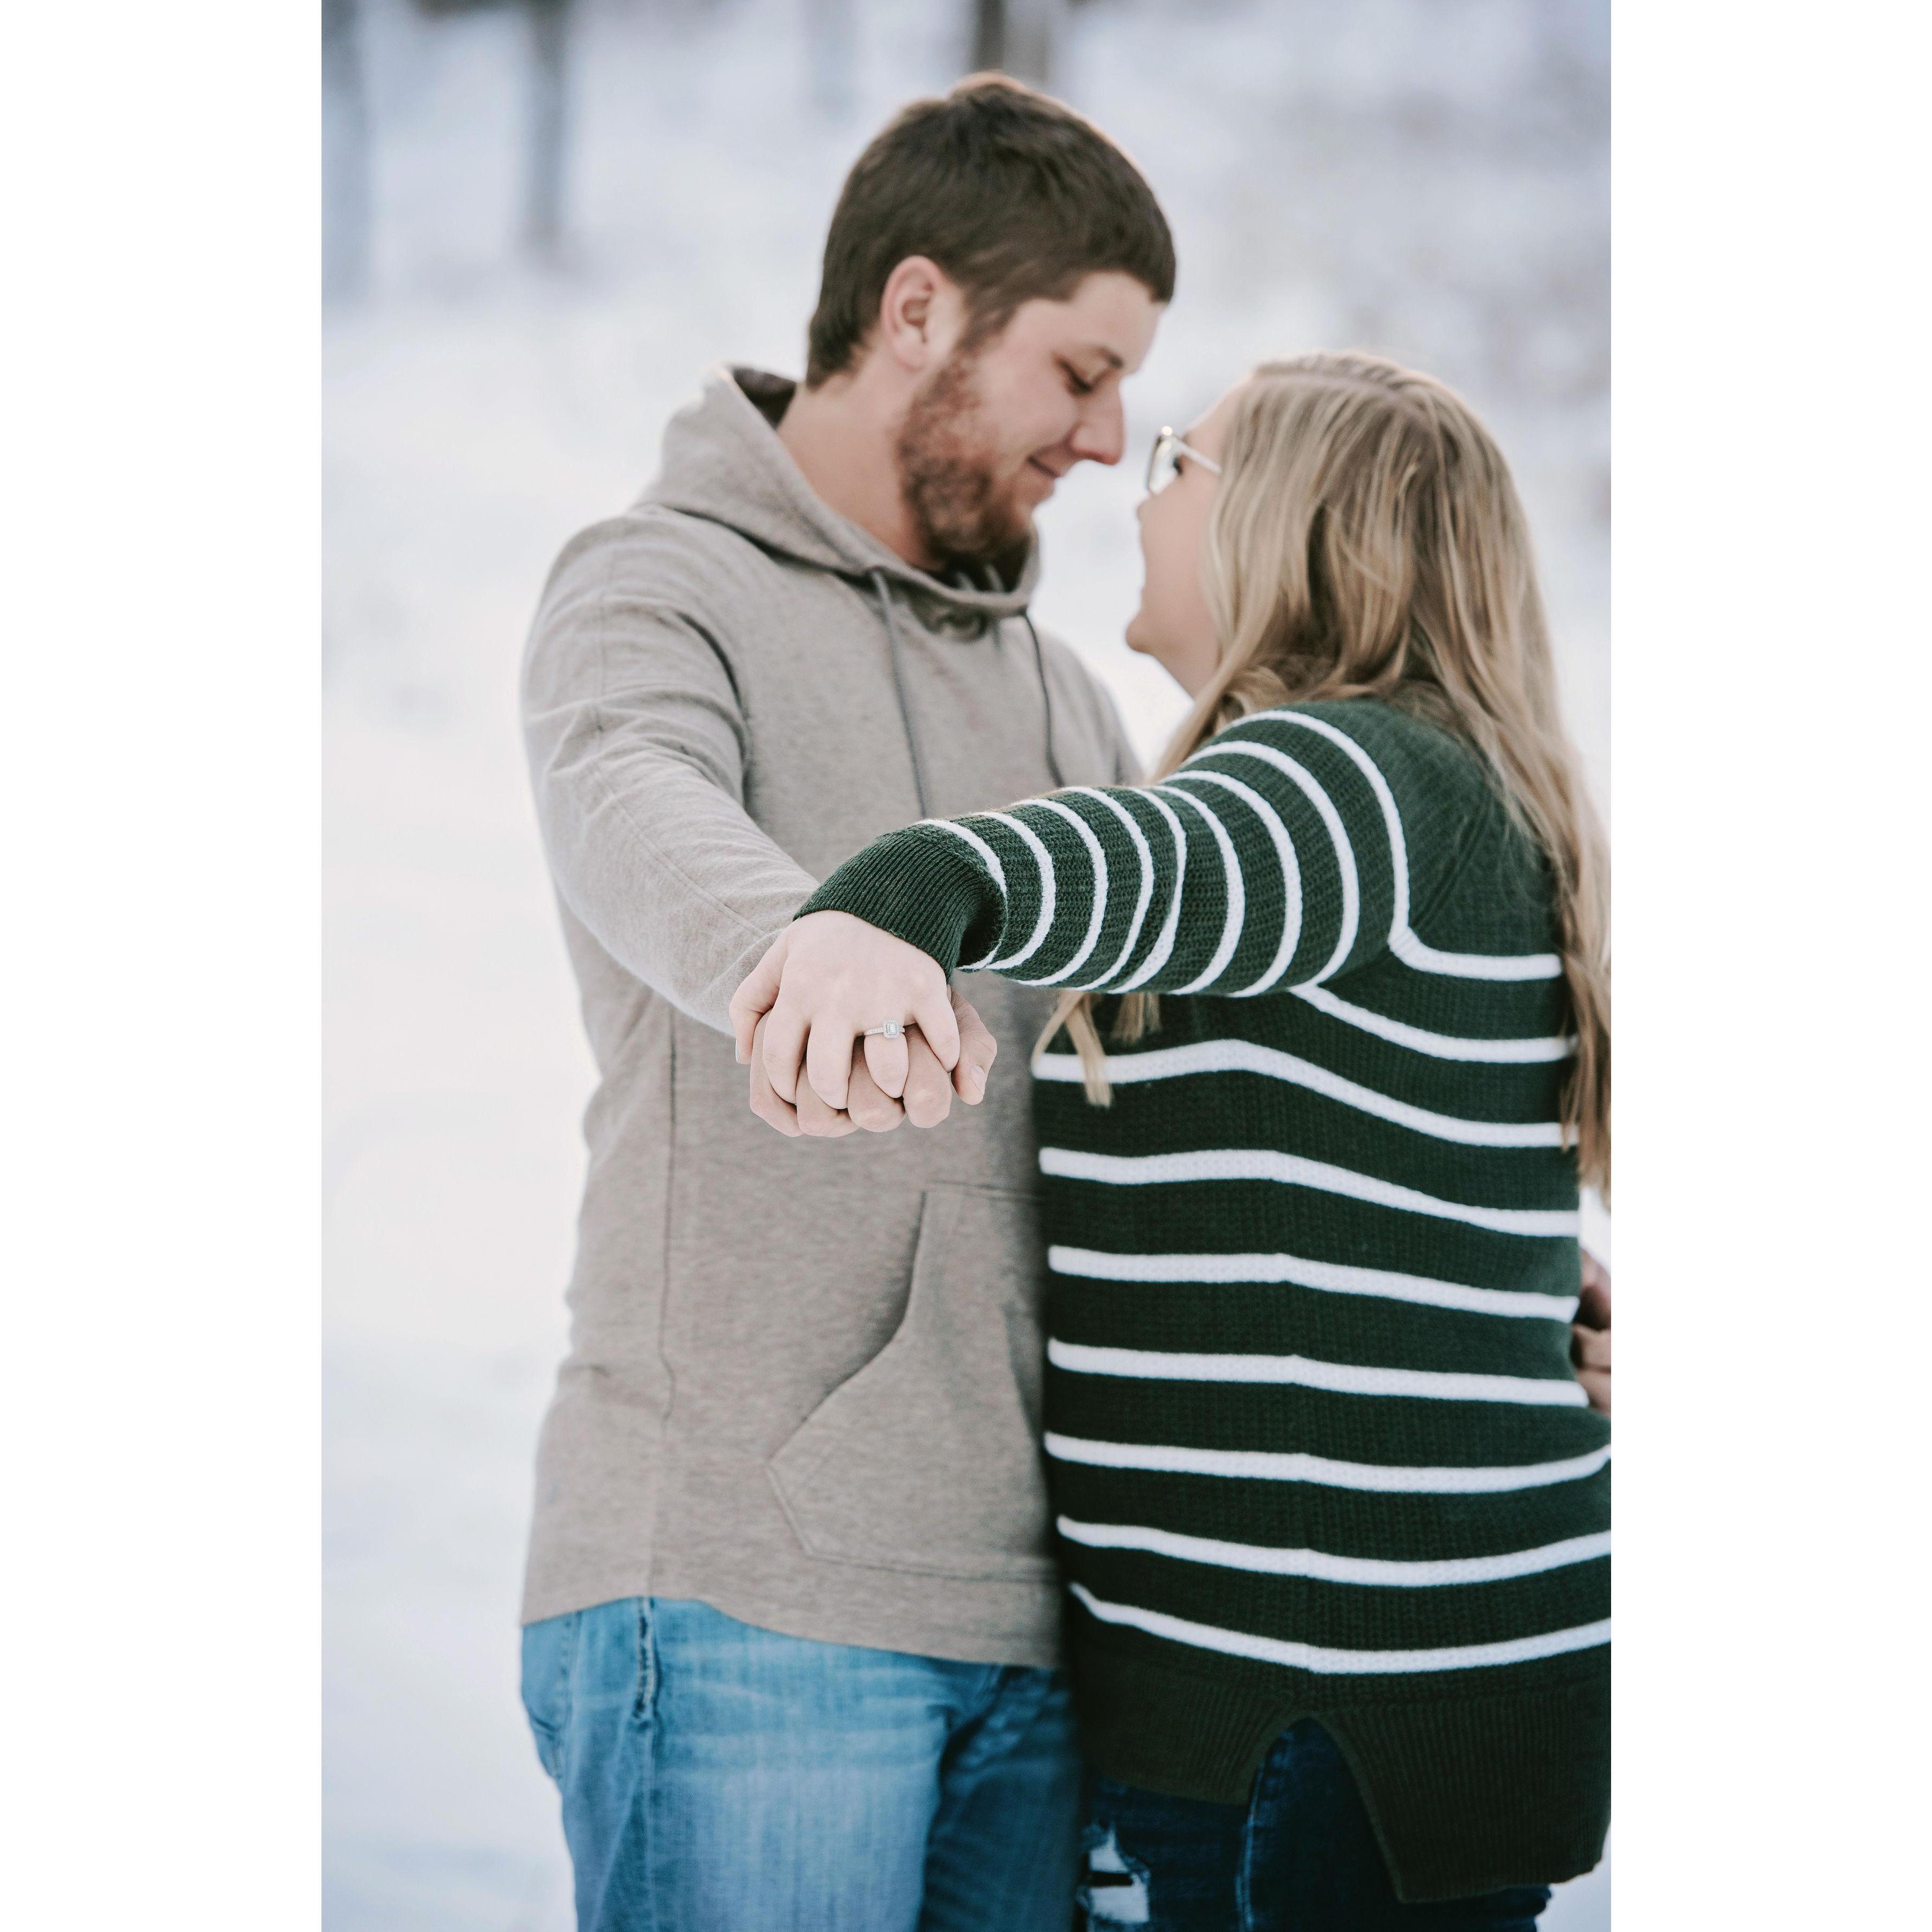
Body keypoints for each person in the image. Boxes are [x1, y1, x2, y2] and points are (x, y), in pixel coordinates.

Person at [733, 353, 1612, 1928]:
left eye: (1177, 468)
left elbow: (1148, 863)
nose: (1140, 505)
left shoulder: (1353, 773)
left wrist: (913, 890)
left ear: (1297, 524)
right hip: (1369, 1702)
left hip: (1310, 1712)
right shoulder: (1427, 793)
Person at [516, 75, 1175, 1932]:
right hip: (743, 1587)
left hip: (1033, 1616)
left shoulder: (1064, 699)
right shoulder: (655, 585)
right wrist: (809, 946)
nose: (1109, 439)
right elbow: (633, 797)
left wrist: (1485, 1264)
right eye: (1080, 373)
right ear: (917, 311)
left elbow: (1177, 1050)